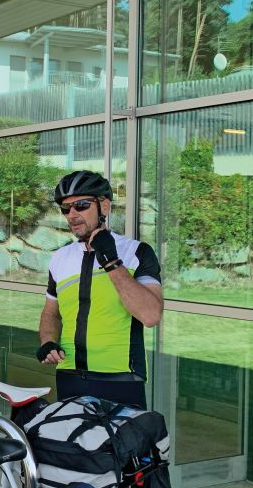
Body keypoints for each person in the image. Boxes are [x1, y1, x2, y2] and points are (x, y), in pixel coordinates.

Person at [36, 170, 163, 408]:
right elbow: (51, 312)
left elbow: (150, 315)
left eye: (81, 205)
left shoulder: (137, 252)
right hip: (69, 375)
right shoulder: (60, 258)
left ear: (104, 206)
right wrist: (48, 341)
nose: (72, 215)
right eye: (66, 209)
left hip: (121, 377)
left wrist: (111, 261)